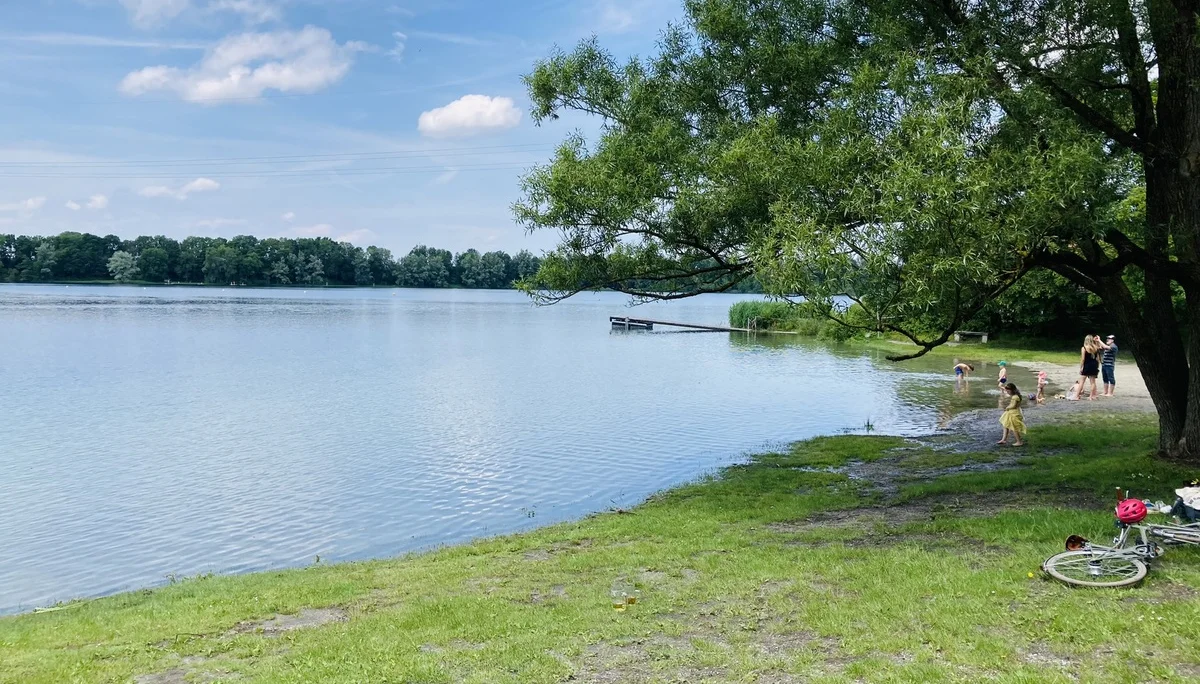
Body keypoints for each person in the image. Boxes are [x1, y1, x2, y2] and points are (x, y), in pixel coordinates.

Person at [1078, 335, 1102, 400]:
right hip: (1094, 365)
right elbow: (1098, 359)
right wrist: (1097, 366)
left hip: (1087, 365)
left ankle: (1077, 395)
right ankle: (1091, 396)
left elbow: (1083, 359)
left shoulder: (1084, 348)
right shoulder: (1096, 347)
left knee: (1082, 381)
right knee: (1093, 382)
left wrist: (1081, 367)